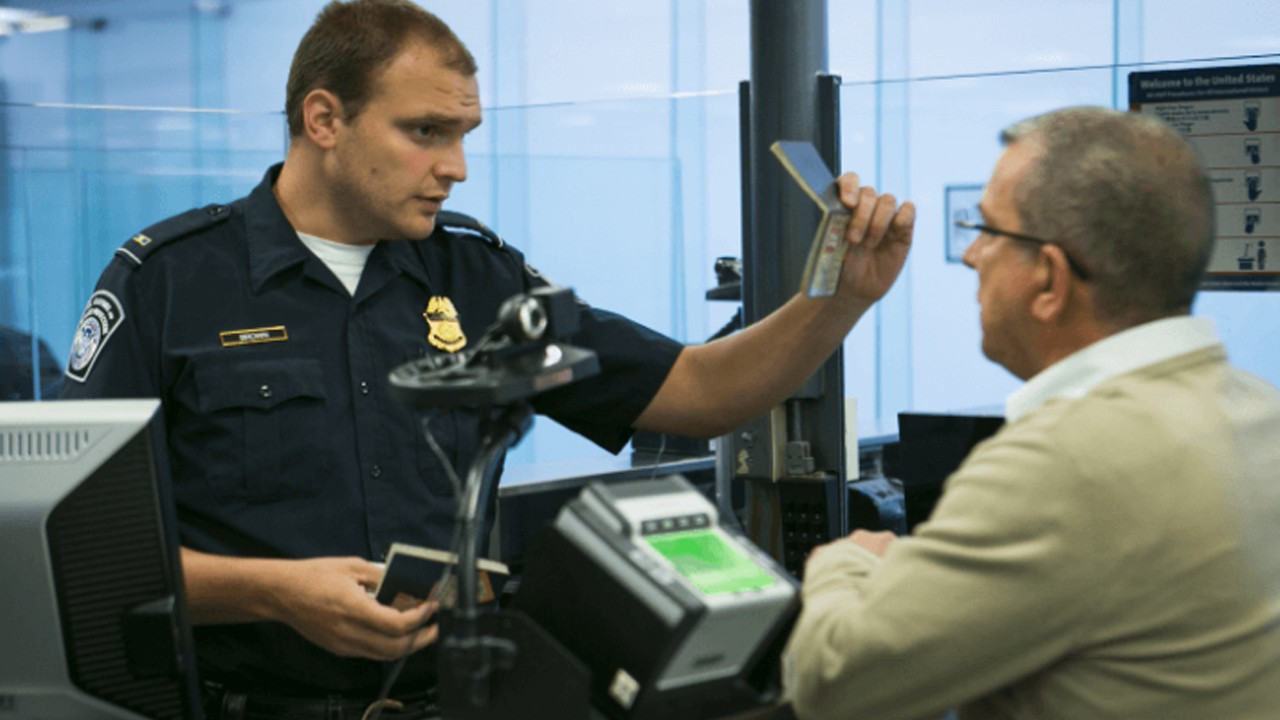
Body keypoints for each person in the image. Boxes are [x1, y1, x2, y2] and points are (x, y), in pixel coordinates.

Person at [59, 0, 915, 717]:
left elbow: (693, 390)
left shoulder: (476, 274)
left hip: (456, 697)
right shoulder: (169, 282)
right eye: (425, 132)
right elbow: (74, 549)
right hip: (246, 701)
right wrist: (272, 591)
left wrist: (839, 300)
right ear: (323, 119)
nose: (456, 168)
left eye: (463, 133)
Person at [783, 106, 1280, 720]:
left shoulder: (1066, 461)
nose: (972, 257)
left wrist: (846, 560)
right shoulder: (1258, 409)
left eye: (987, 230)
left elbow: (833, 684)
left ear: (1050, 279)